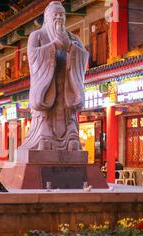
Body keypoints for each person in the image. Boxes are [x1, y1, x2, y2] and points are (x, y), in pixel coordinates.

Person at [18, 1, 89, 152]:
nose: (59, 18)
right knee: (45, 112)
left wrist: (70, 46)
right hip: (47, 83)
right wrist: (54, 45)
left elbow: (83, 56)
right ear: (47, 17)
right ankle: (44, 136)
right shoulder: (37, 35)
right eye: (55, 15)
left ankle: (71, 136)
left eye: (62, 15)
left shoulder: (73, 38)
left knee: (68, 113)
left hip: (66, 84)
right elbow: (33, 55)